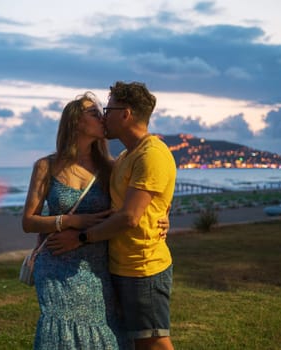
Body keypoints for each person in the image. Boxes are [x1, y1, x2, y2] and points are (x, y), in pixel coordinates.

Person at [22, 91, 168, 349]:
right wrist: (70, 221)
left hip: (98, 267)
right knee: (60, 334)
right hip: (57, 266)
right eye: (94, 113)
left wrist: (165, 218)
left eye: (104, 112)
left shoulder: (111, 168)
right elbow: (29, 222)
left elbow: (142, 201)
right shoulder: (46, 166)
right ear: (75, 121)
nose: (102, 118)